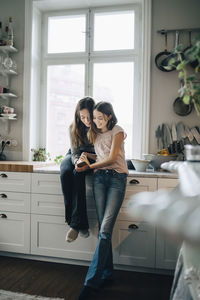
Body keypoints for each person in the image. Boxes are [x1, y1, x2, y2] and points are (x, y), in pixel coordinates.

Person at [77, 101, 128, 300]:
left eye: (99, 118)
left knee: (105, 230)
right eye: (94, 118)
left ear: (108, 116)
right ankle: (107, 274)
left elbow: (113, 158)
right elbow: (100, 154)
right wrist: (85, 156)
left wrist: (89, 166)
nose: (96, 122)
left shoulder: (118, 130)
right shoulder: (95, 133)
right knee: (103, 231)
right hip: (99, 180)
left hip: (116, 180)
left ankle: (91, 283)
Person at [60, 96, 96, 243]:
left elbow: (102, 152)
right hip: (75, 155)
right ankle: (76, 223)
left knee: (77, 174)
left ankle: (75, 225)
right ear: (77, 116)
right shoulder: (73, 128)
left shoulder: (99, 127)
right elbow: (74, 153)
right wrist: (77, 162)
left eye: (89, 117)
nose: (87, 120)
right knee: (66, 172)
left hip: (93, 157)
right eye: (82, 117)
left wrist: (86, 161)